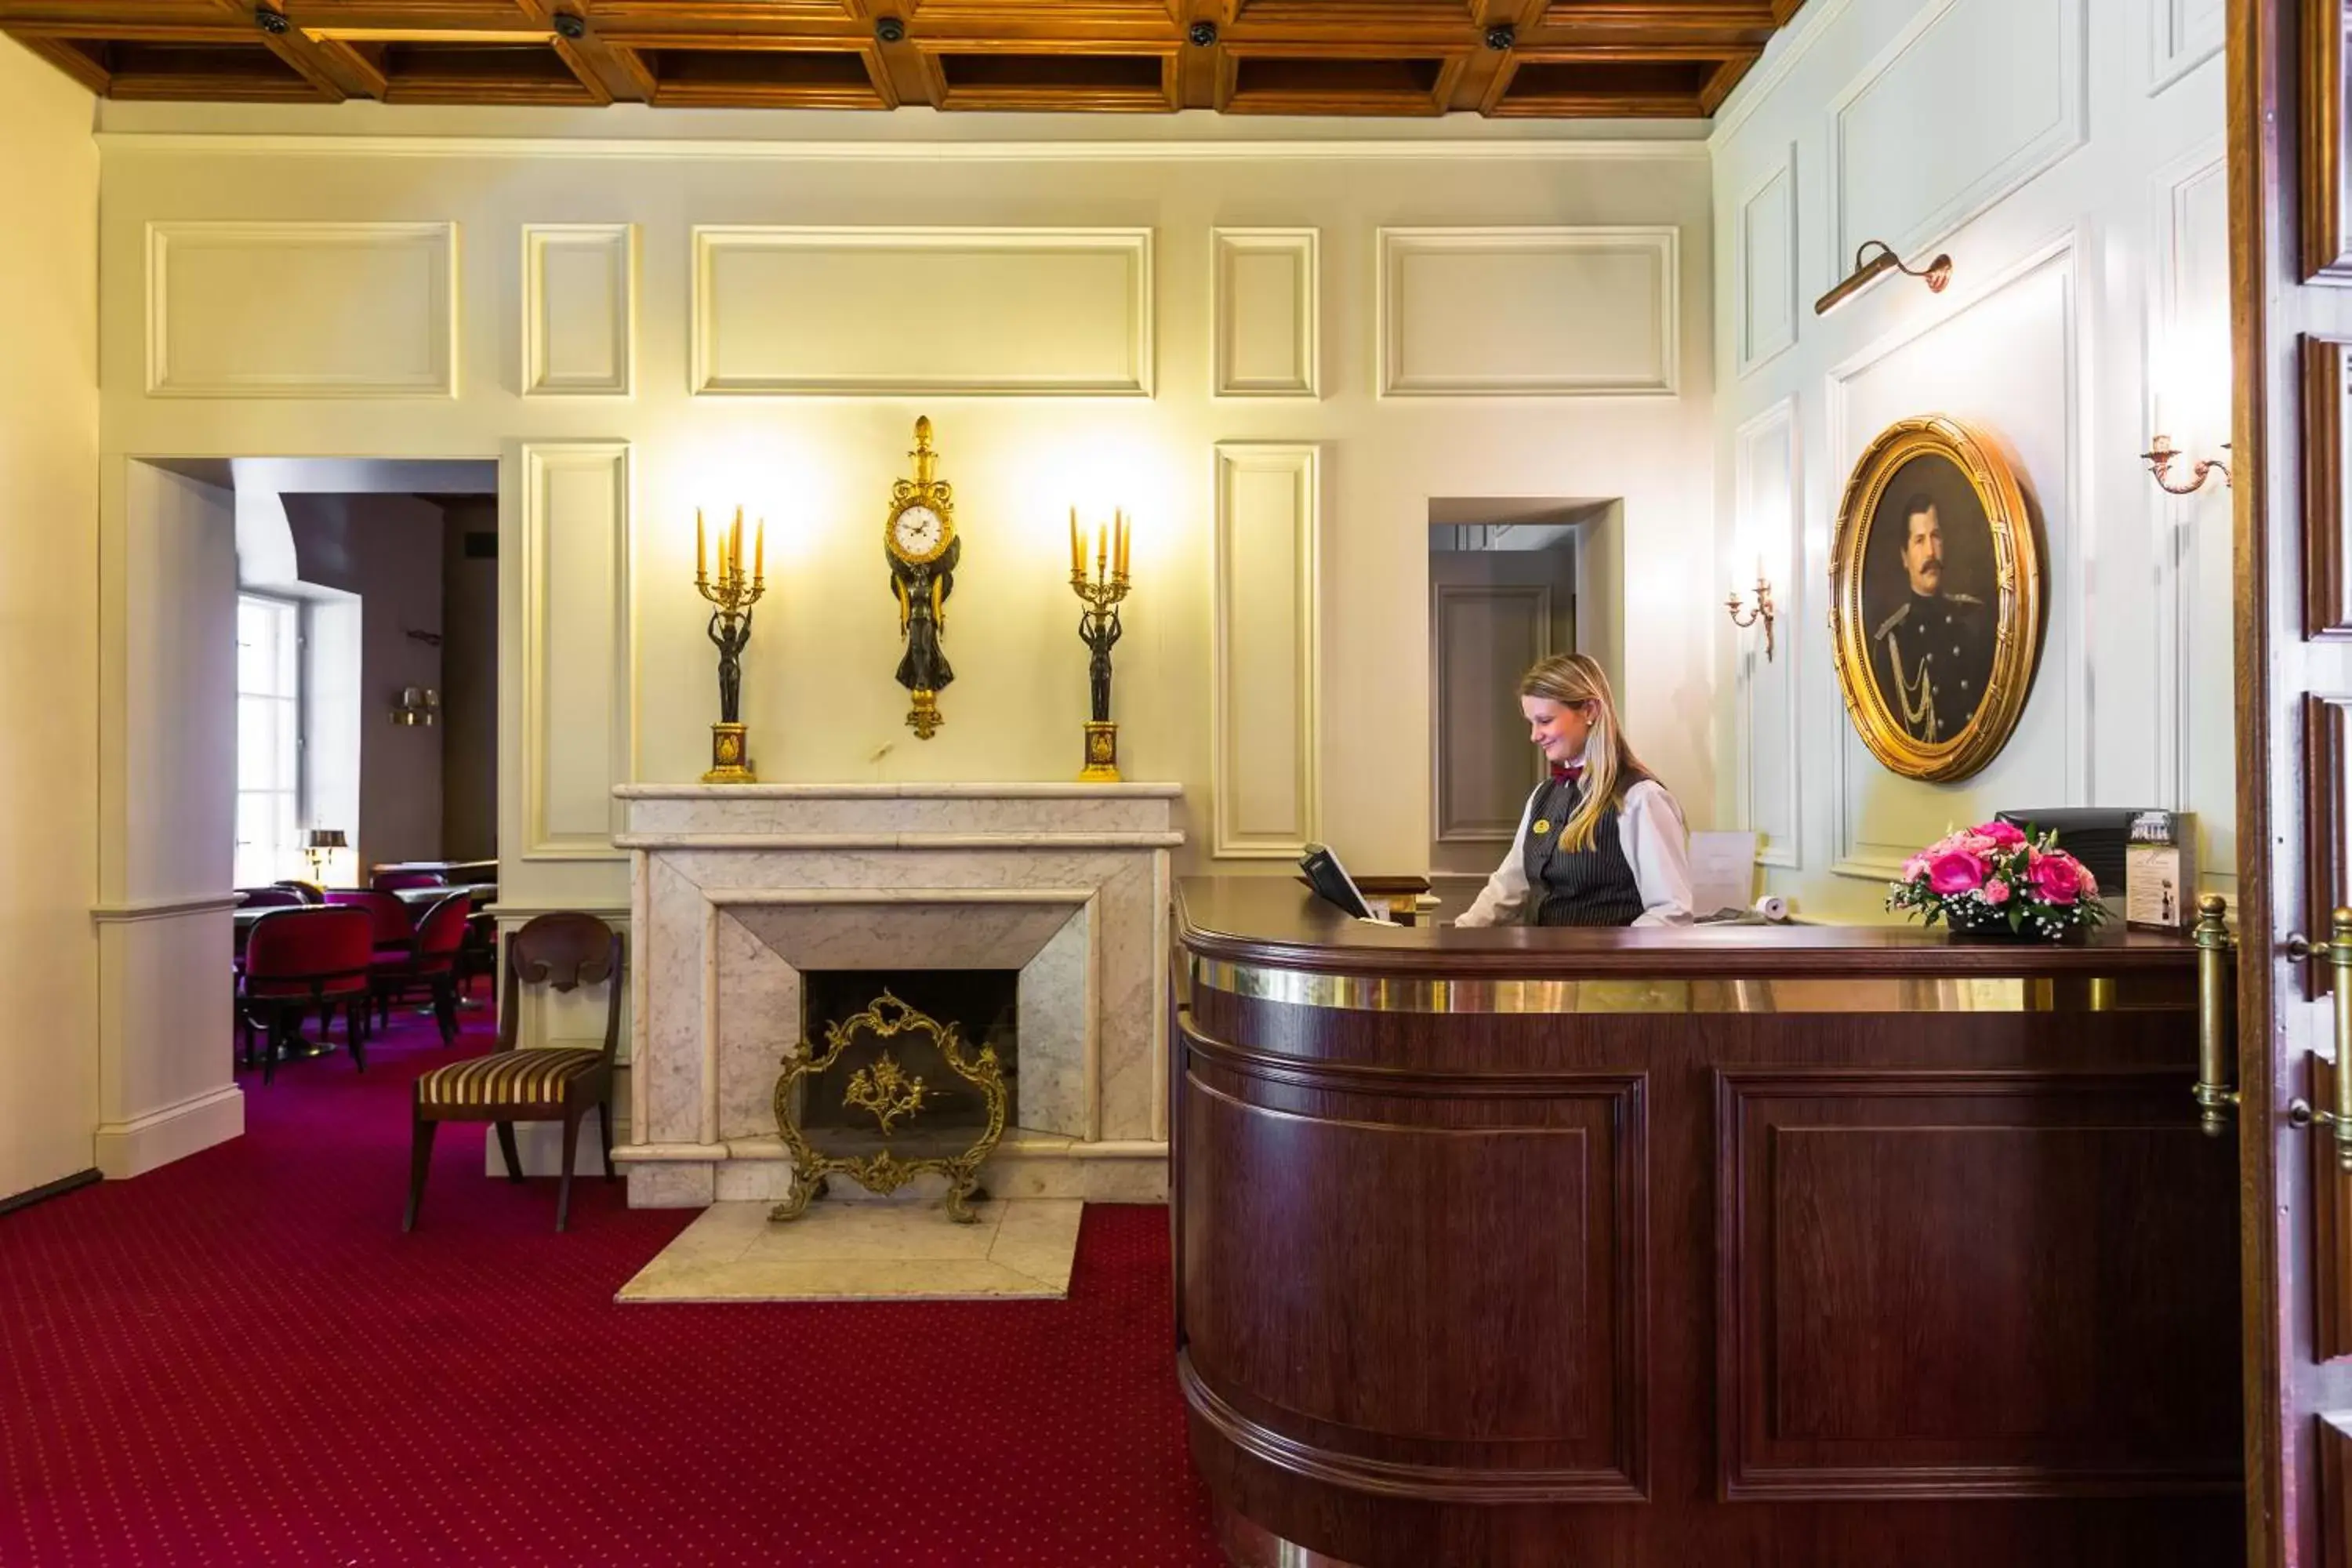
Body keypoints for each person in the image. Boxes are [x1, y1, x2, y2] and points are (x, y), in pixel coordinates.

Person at [1455, 653, 1694, 928]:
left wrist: (1601, 968)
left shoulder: (1640, 798)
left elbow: (1670, 913)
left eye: (1545, 721)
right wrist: (1458, 937)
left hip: (1601, 970)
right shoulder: (1543, 795)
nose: (1534, 735)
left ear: (1590, 711)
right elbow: (1508, 886)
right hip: (1541, 966)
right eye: (1531, 723)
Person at [1872, 495, 1992, 743]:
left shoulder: (1974, 619)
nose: (1930, 551)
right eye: (1919, 541)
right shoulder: (1891, 643)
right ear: (1905, 557)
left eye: (1935, 536)